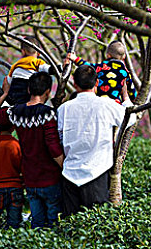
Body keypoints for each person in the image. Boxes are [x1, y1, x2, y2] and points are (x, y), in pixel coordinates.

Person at [0, 73, 64, 229]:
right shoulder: (48, 114)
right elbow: (53, 148)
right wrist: (65, 167)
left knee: (37, 224)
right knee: (53, 226)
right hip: (50, 178)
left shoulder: (16, 112)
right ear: (48, 92)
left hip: (30, 179)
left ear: (29, 89)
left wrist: (5, 94)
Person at [57, 65, 136, 217]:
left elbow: (60, 137)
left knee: (70, 228)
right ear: (97, 83)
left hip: (69, 175)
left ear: (75, 84)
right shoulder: (107, 105)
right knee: (95, 227)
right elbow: (131, 118)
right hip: (97, 173)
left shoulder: (63, 109)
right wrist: (126, 98)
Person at [67, 40, 137, 104]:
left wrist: (75, 59)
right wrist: (134, 99)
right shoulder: (125, 73)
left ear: (108, 55)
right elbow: (131, 90)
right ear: (124, 56)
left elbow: (88, 66)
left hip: (98, 100)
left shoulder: (101, 66)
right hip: (115, 103)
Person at [6, 35, 56, 105]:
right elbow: (49, 70)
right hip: (27, 89)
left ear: (23, 52)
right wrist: (61, 68)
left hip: (14, 92)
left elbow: (9, 80)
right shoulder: (37, 62)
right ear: (38, 53)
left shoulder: (16, 65)